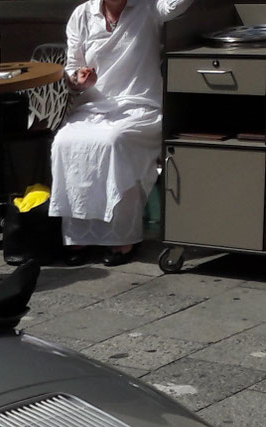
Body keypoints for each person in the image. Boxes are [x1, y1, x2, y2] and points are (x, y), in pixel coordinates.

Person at [50, 0, 196, 265]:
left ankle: (122, 238)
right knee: (64, 141)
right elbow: (72, 69)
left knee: (113, 142)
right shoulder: (82, 14)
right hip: (93, 106)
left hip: (141, 106)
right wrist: (78, 81)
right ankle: (79, 236)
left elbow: (176, 6)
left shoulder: (148, 7)